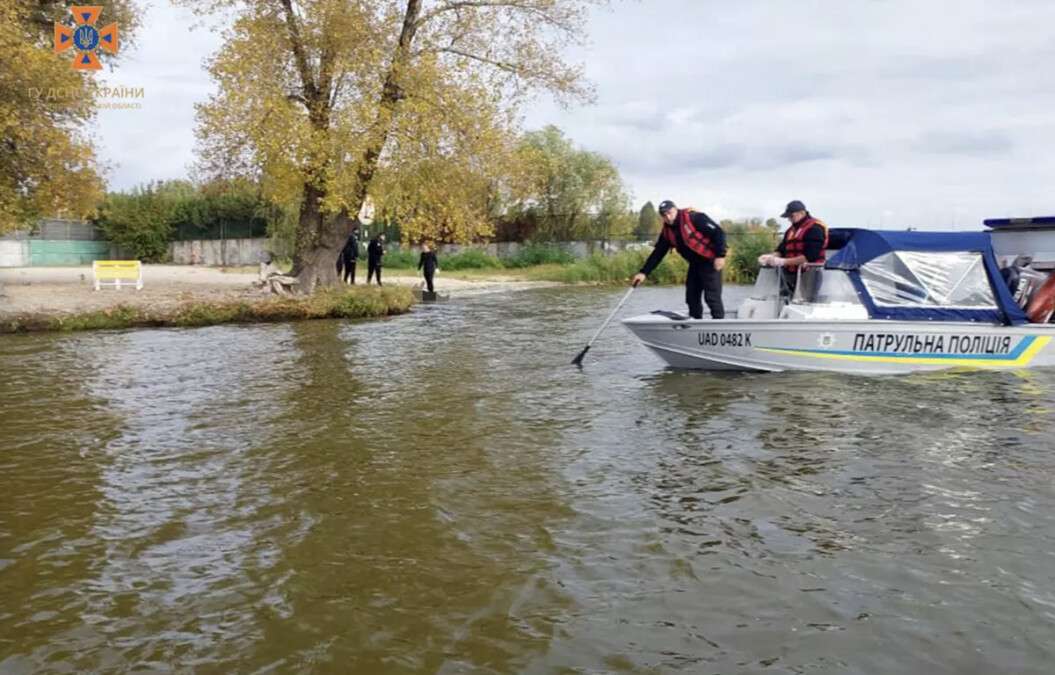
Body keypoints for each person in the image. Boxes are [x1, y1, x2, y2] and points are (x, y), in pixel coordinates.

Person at [631, 200, 727, 319]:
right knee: (691, 298)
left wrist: (720, 256)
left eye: (670, 212)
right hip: (695, 265)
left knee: (712, 298)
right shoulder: (667, 232)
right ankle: (695, 324)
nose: (668, 217)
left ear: (675, 209)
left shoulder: (695, 218)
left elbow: (719, 233)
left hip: (710, 262)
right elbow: (657, 253)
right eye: (664, 215)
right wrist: (643, 272)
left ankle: (718, 326)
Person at [758, 200, 828, 297]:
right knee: (784, 299)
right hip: (790, 275)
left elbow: (810, 256)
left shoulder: (815, 228)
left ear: (802, 213)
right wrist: (770, 257)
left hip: (810, 274)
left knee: (806, 301)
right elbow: (781, 250)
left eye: (791, 216)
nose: (789, 219)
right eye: (788, 217)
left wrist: (783, 262)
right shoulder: (790, 231)